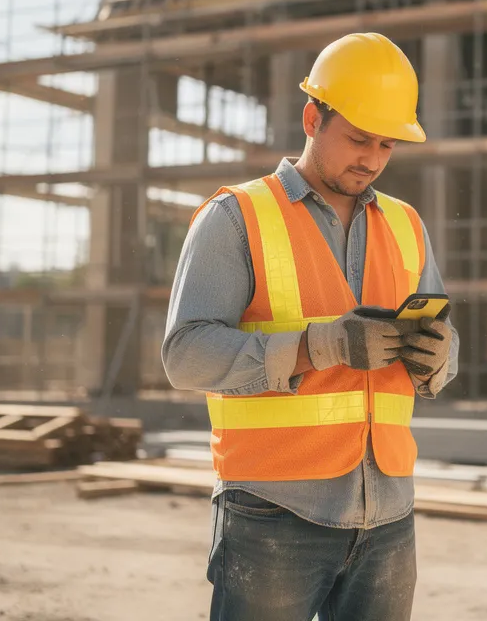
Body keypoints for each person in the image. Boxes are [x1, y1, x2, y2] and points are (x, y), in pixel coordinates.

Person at [162, 32, 459, 621]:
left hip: (389, 516)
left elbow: (446, 359)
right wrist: (318, 345)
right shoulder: (236, 217)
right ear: (311, 118)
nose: (371, 158)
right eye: (356, 138)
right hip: (273, 513)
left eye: (386, 144)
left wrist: (439, 359)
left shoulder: (407, 225)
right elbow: (185, 357)